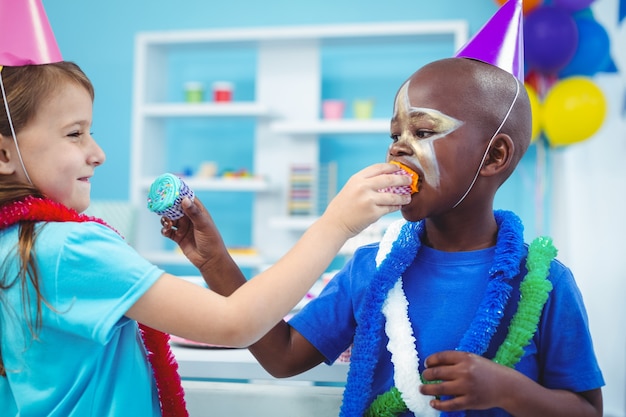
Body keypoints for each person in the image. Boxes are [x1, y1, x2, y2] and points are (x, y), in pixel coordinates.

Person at [173, 2, 605, 415]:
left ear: (494, 157)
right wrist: (216, 263)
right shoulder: (372, 267)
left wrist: (507, 389)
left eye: (423, 129)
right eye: (395, 132)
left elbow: (587, 410)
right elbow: (282, 355)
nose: (399, 146)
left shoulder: (544, 282)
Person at [0, 61, 411, 416]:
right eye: (75, 134)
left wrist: (216, 265)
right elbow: (236, 325)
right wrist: (335, 224)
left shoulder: (14, 244)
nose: (98, 153)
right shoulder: (68, 249)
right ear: (4, 155)